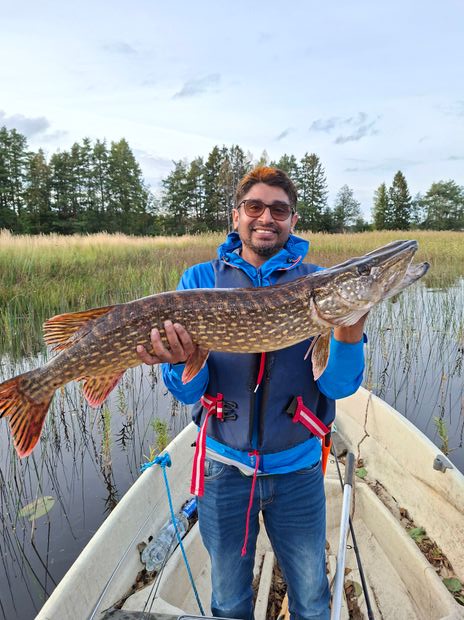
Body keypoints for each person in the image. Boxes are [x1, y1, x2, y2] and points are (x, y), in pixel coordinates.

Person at [137, 167, 367, 620]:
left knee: (312, 599)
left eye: (279, 210)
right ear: (236, 216)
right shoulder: (199, 280)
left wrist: (349, 332)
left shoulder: (320, 284)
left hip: (298, 470)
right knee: (228, 602)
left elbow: (339, 386)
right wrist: (180, 361)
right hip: (223, 470)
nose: (266, 217)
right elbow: (186, 392)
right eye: (254, 207)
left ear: (293, 220)